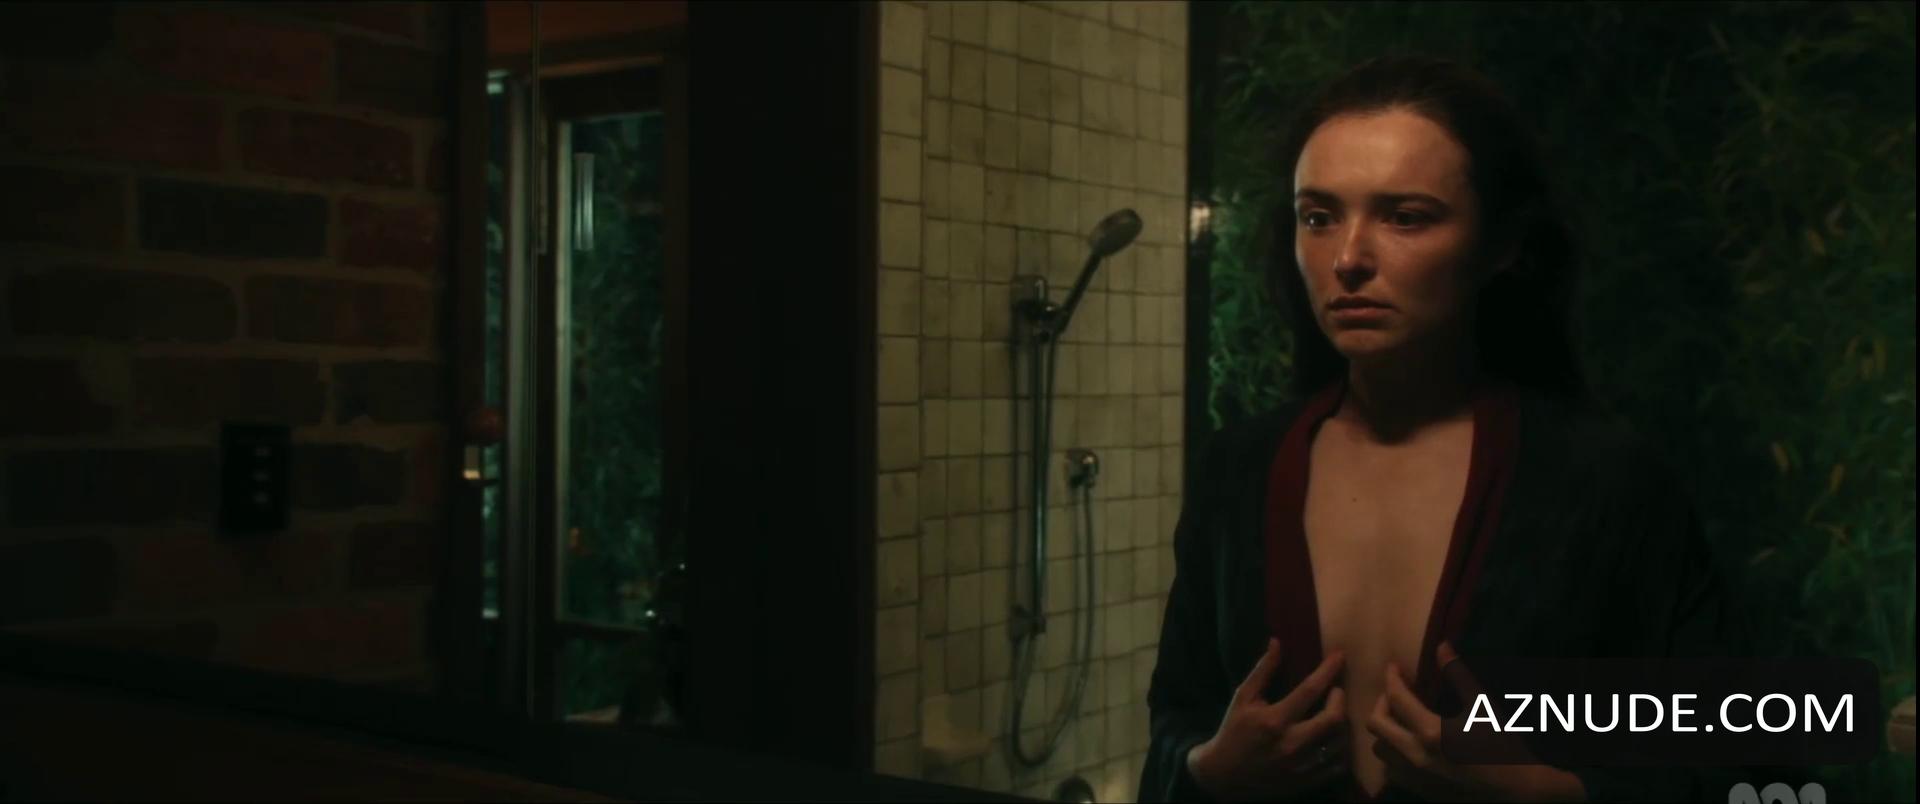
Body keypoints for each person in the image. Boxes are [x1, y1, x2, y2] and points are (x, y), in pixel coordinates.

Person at [1138, 55, 1753, 802]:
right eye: (1318, 217)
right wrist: (1210, 769)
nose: (1349, 259)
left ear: (1501, 245)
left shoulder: (1603, 484)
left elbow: (1730, 757)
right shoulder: (1240, 470)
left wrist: (1536, 790)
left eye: (1406, 217)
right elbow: (1177, 714)